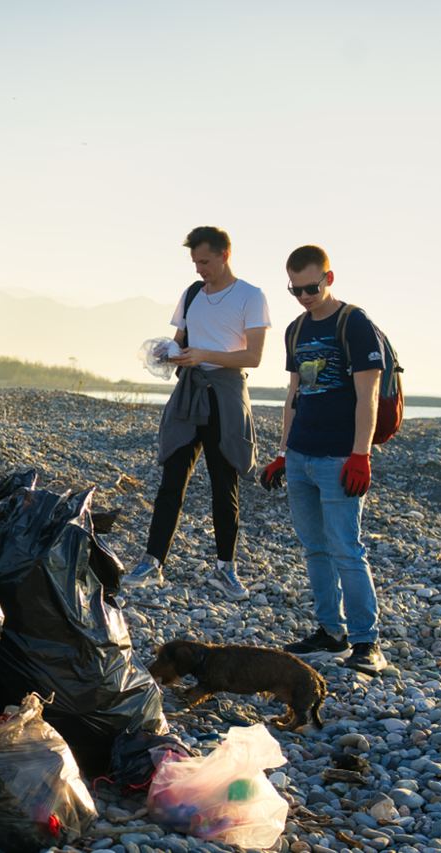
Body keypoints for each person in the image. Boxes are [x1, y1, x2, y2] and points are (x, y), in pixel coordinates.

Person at [123, 226, 269, 600]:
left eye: (204, 261)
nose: (199, 269)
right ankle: (152, 561)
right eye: (195, 262)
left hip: (225, 395)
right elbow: (181, 341)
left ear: (225, 254)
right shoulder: (191, 295)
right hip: (188, 392)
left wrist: (205, 355)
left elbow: (252, 356)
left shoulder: (250, 296)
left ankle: (226, 569)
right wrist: (166, 352)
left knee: (225, 484)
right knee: (172, 478)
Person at [262, 245, 386, 674]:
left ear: (329, 279)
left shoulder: (354, 323)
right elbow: (293, 394)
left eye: (310, 287)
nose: (304, 296)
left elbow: (368, 394)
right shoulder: (295, 329)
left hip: (339, 458)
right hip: (300, 457)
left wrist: (360, 454)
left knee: (346, 549)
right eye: (295, 290)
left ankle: (366, 642)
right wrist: (282, 452)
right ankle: (330, 632)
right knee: (315, 549)